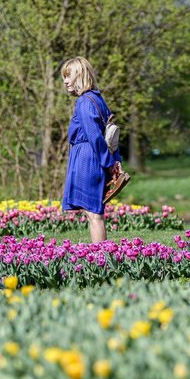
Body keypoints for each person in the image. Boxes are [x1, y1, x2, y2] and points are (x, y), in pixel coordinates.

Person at [61, 57, 123, 243]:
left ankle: (101, 258)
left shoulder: (84, 102)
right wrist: (115, 159)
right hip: (95, 157)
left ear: (80, 76)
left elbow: (95, 136)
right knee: (93, 212)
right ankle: (102, 256)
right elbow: (111, 134)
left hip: (88, 160)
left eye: (68, 76)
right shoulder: (98, 99)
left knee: (94, 214)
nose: (65, 81)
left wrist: (109, 163)